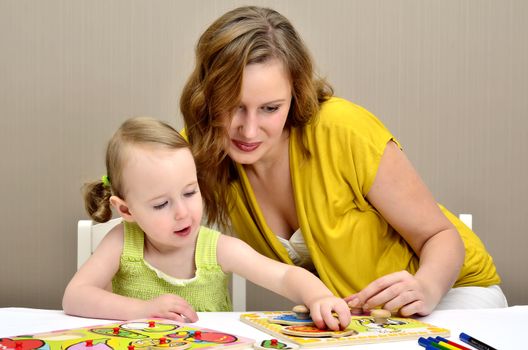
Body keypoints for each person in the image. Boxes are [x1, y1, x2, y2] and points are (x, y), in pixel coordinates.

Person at [180, 5, 507, 317]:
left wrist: (427, 286)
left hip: (452, 295)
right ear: (207, 96)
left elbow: (440, 236)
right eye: (233, 105)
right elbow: (138, 208)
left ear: (296, 94)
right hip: (362, 321)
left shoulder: (342, 128)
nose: (249, 130)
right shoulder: (200, 148)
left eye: (270, 108)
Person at [62, 117, 351, 330]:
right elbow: (75, 297)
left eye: (190, 192)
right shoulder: (122, 242)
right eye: (161, 204)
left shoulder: (217, 249)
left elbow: (284, 277)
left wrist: (319, 297)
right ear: (127, 210)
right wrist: (144, 310)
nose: (182, 213)